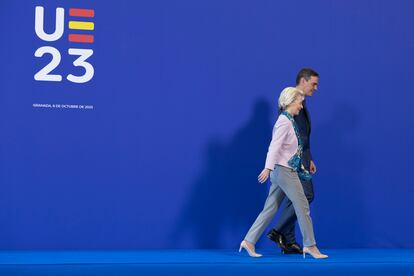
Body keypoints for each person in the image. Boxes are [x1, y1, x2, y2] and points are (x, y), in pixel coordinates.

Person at [239, 87, 327, 259]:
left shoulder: (289, 120)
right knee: (303, 207)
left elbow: (289, 149)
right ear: (291, 102)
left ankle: (248, 241)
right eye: (300, 103)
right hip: (284, 171)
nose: (301, 107)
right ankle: (310, 245)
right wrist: (268, 167)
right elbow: (274, 147)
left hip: (282, 170)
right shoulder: (284, 121)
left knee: (269, 209)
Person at [267, 68, 319, 254]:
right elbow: (289, 137)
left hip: (301, 157)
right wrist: (299, 160)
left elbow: (303, 135)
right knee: (305, 195)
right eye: (313, 83)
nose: (316, 88)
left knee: (293, 197)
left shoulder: (302, 104)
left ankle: (287, 239)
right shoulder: (292, 102)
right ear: (303, 81)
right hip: (292, 160)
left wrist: (309, 156)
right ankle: (279, 230)